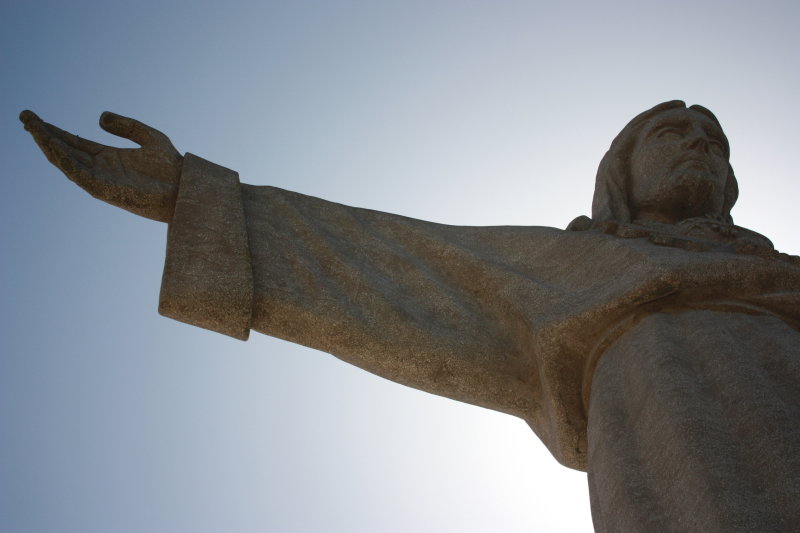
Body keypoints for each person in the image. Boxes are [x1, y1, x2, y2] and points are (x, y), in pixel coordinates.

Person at [20, 101, 800, 531]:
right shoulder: (574, 267)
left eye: (715, 142)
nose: (700, 147)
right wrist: (195, 194)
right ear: (620, 177)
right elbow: (386, 260)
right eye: (674, 133)